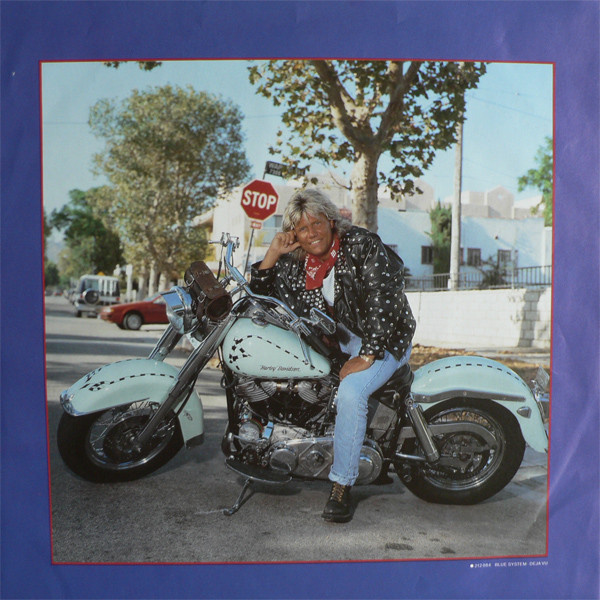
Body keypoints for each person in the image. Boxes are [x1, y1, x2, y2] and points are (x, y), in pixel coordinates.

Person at [250, 189, 416, 523]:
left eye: (316, 223)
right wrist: (273, 252)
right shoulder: (299, 262)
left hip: (384, 340)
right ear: (294, 234)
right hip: (339, 344)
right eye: (302, 228)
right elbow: (261, 297)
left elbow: (382, 300)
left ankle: (341, 484)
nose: (311, 233)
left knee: (352, 393)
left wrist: (367, 354)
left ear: (330, 220)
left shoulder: (361, 245)